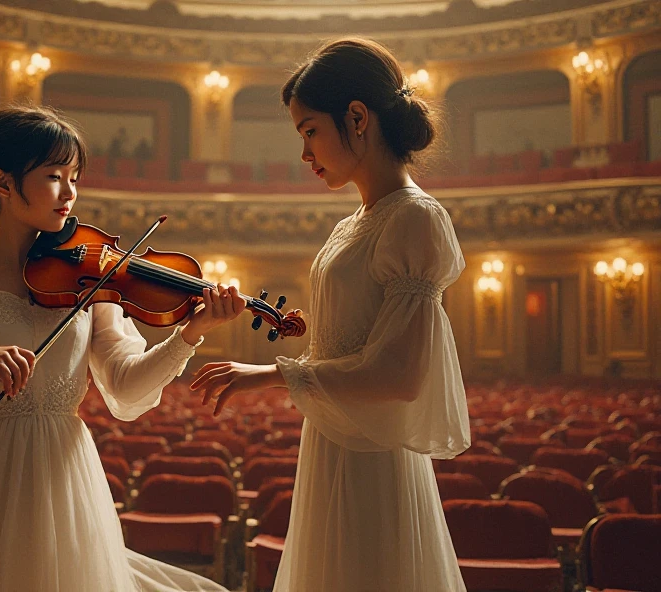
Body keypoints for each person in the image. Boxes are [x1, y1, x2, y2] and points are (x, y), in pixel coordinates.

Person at [0, 105, 241, 591]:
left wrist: (188, 335)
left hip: (67, 468)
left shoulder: (92, 282)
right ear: (4, 183)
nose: (69, 193)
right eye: (53, 176)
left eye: (74, 177)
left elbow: (127, 385)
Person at [190, 38, 469, 591]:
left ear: (358, 118)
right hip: (332, 443)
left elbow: (399, 375)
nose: (305, 153)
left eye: (310, 131)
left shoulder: (415, 220)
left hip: (373, 460)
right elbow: (350, 343)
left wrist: (267, 374)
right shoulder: (353, 224)